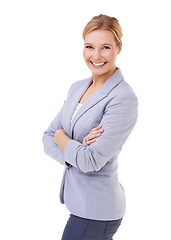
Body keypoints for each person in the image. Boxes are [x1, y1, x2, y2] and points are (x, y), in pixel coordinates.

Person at [42, 14, 138, 240]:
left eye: (105, 47)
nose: (96, 55)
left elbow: (90, 161)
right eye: (89, 47)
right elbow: (47, 137)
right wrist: (75, 148)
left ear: (119, 48)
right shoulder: (77, 88)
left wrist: (62, 138)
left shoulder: (123, 98)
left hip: (97, 209)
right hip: (79, 204)